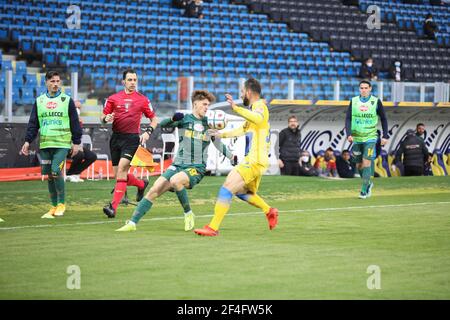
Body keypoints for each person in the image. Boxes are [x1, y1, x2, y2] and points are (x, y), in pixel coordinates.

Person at [116, 90, 237, 232]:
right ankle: (132, 223)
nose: (206, 108)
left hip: (196, 168)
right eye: (204, 104)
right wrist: (173, 119)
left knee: (175, 181)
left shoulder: (208, 123)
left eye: (208, 105)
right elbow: (163, 124)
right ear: (195, 104)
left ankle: (188, 213)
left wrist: (231, 157)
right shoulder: (184, 119)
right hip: (178, 165)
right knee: (154, 189)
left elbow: (217, 143)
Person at [194, 78, 278, 236]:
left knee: (226, 187)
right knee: (241, 192)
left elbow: (259, 118)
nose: (241, 96)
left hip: (254, 160)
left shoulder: (259, 106)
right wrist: (221, 134)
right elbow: (241, 130)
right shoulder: (254, 111)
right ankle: (269, 210)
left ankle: (213, 227)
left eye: (241, 93)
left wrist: (236, 108)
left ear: (248, 92)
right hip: (257, 160)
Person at [20, 71, 82, 218]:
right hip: (46, 144)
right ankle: (53, 207)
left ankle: (61, 204)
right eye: (52, 81)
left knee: (56, 171)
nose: (55, 84)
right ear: (46, 82)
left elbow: (75, 123)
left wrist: (76, 143)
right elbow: (33, 123)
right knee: (49, 175)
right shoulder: (40, 101)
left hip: (62, 143)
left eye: (57, 81)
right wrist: (27, 141)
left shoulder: (67, 100)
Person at [101, 68, 158, 218]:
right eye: (130, 80)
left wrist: (147, 132)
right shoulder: (113, 98)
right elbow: (103, 116)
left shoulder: (143, 99)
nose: (133, 82)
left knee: (121, 169)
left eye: (135, 80)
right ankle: (141, 184)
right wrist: (105, 119)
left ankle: (113, 208)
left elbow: (154, 120)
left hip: (132, 139)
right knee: (119, 175)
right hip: (116, 139)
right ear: (123, 82)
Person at [345, 80, 389, 199]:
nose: (363, 90)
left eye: (366, 88)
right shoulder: (354, 101)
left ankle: (363, 191)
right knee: (359, 165)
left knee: (366, 162)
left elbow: (384, 119)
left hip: (370, 138)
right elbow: (348, 118)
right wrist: (348, 133)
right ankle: (368, 184)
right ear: (359, 89)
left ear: (370, 89)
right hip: (357, 138)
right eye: (361, 88)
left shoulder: (375, 101)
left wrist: (385, 135)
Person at [66, 100, 98, 182]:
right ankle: (70, 174)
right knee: (80, 154)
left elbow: (77, 135)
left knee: (92, 156)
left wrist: (78, 145)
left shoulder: (79, 121)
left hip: (76, 144)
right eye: (76, 107)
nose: (77, 109)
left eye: (79, 108)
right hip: (65, 145)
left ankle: (75, 173)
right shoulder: (66, 119)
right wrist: (73, 145)